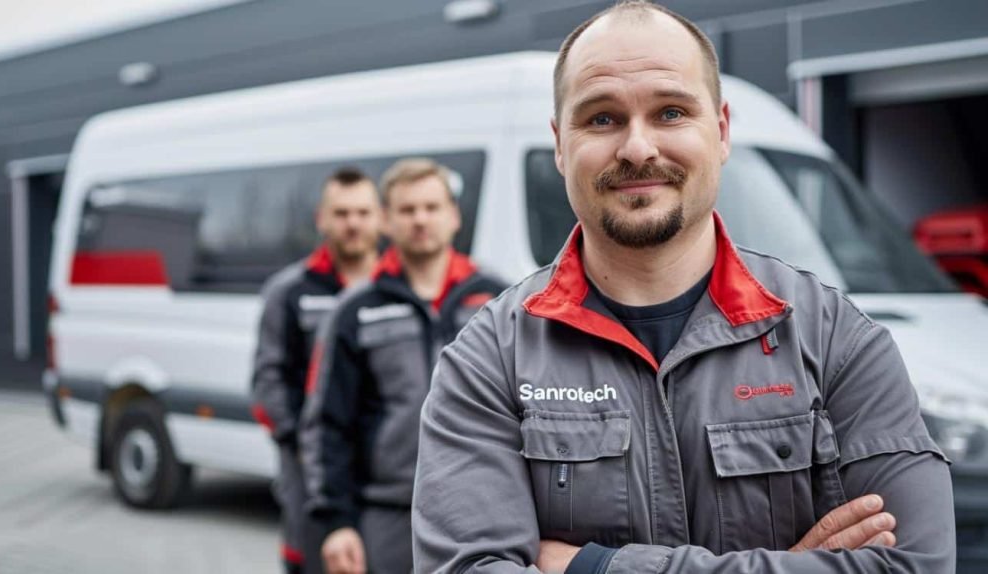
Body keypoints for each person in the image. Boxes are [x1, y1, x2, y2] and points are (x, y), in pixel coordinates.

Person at [412, 2, 956, 573]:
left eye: (670, 112)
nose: (637, 148)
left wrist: (594, 567)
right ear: (560, 144)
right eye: (602, 118)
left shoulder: (834, 340)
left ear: (720, 131)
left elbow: (917, 566)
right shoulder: (490, 358)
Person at [299, 158, 507, 574]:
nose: (420, 219)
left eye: (431, 207)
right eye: (407, 210)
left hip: (485, 512)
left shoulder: (497, 301)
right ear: (386, 221)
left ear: (453, 216)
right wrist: (337, 523)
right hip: (387, 515)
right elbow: (326, 425)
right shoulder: (355, 310)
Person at [251, 167, 382, 574]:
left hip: (385, 476)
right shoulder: (289, 292)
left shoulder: (398, 291)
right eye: (341, 213)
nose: (353, 223)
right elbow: (267, 381)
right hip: (311, 477)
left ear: (380, 218)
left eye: (362, 212)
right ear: (321, 219)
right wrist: (309, 443)